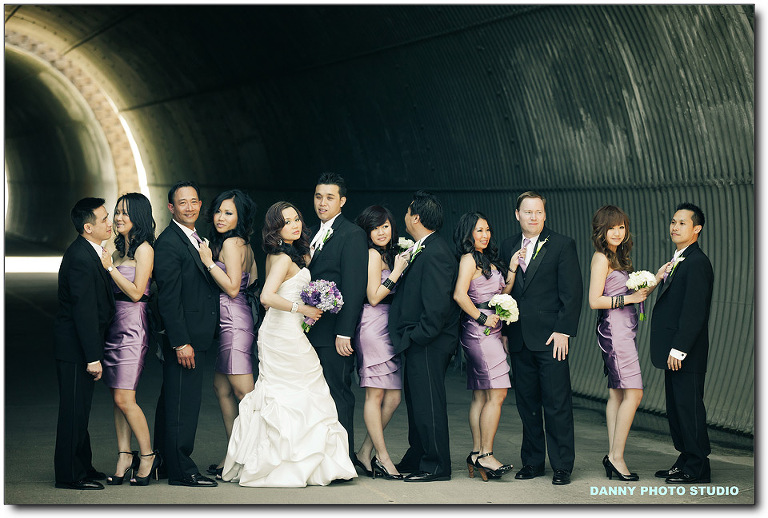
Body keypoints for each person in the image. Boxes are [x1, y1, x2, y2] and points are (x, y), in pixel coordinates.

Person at [221, 201, 357, 487]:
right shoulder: (282, 257)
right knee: (291, 392)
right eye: (286, 222)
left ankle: (303, 461)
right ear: (275, 229)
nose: (295, 225)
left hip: (290, 330)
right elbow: (266, 297)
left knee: (303, 390)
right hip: (281, 334)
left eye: (296, 219)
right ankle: (285, 462)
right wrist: (303, 309)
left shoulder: (290, 253)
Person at [500, 191, 583, 485]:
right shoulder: (508, 246)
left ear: (544, 215)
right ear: (517, 215)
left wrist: (563, 330)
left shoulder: (562, 244)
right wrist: (505, 331)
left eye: (538, 212)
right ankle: (533, 462)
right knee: (527, 404)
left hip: (551, 338)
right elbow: (504, 292)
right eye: (528, 212)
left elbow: (572, 293)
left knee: (557, 403)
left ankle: (562, 465)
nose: (533, 217)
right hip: (519, 337)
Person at [388, 190, 460, 482]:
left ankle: (436, 465)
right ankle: (417, 455)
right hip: (420, 339)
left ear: (416, 218)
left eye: (408, 212)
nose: (405, 216)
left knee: (429, 402)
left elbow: (437, 305)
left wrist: (418, 336)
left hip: (429, 341)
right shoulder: (424, 247)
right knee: (417, 401)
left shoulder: (436, 252)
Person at [153, 180, 220, 487]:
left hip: (195, 335)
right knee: (183, 404)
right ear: (171, 207)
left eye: (194, 201)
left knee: (174, 400)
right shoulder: (169, 243)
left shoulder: (196, 238)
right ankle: (182, 471)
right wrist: (181, 342)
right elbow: (168, 298)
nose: (190, 207)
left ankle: (166, 463)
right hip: (185, 339)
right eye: (183, 203)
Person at [587, 205, 655, 482]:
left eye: (621, 227)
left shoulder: (619, 257)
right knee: (634, 393)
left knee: (617, 393)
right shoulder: (601, 258)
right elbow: (594, 301)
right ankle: (616, 457)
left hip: (624, 330)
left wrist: (654, 280)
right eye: (611, 228)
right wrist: (630, 298)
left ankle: (612, 455)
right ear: (601, 231)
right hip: (614, 332)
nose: (617, 232)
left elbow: (630, 295)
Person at [196, 189, 259, 479]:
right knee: (221, 389)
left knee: (245, 394)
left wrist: (209, 261)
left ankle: (255, 456)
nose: (220, 217)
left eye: (229, 213)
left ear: (240, 217)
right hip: (233, 319)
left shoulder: (232, 244)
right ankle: (234, 454)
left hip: (233, 322)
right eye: (219, 211)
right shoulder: (243, 244)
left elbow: (233, 288)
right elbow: (252, 282)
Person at [54, 197, 115, 490]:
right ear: (88, 227)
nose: (110, 223)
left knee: (81, 409)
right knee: (73, 411)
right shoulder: (80, 258)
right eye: (104, 219)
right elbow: (84, 311)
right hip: (75, 349)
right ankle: (69, 475)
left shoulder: (92, 252)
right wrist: (93, 357)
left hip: (80, 347)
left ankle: (83, 466)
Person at [452, 212, 519, 481]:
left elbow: (502, 293)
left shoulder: (488, 259)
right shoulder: (468, 259)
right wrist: (481, 318)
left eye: (487, 230)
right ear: (468, 233)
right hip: (478, 331)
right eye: (479, 230)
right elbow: (459, 295)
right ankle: (487, 455)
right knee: (498, 392)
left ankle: (476, 453)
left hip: (493, 329)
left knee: (481, 395)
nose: (485, 235)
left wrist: (511, 268)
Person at [651, 203, 714, 484]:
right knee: (677, 409)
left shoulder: (697, 262)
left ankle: (698, 466)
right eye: (673, 222)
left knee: (689, 409)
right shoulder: (679, 259)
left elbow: (694, 311)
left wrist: (679, 349)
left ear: (696, 229)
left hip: (685, 352)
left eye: (682, 223)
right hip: (673, 351)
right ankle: (686, 458)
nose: (675, 227)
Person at [99, 193, 160, 486]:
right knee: (117, 397)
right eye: (117, 212)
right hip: (114, 326)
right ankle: (124, 455)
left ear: (139, 216)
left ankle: (148, 456)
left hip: (133, 326)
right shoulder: (117, 247)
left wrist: (110, 268)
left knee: (126, 398)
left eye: (125, 212)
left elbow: (137, 292)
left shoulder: (145, 249)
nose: (119, 217)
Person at [307, 172, 368, 459]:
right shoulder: (308, 233)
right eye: (318, 196)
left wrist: (344, 332)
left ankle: (344, 458)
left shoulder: (352, 234)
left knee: (338, 392)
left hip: (334, 333)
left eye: (329, 197)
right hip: (309, 330)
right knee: (315, 394)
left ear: (342, 201)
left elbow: (354, 287)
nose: (322, 203)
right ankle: (320, 456)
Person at [352, 205, 409, 480]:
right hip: (373, 325)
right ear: (367, 231)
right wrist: (397, 272)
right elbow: (374, 296)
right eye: (375, 228)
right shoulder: (373, 255)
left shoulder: (389, 253)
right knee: (375, 396)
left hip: (389, 326)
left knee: (394, 397)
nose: (381, 232)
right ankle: (383, 457)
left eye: (385, 226)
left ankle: (365, 451)